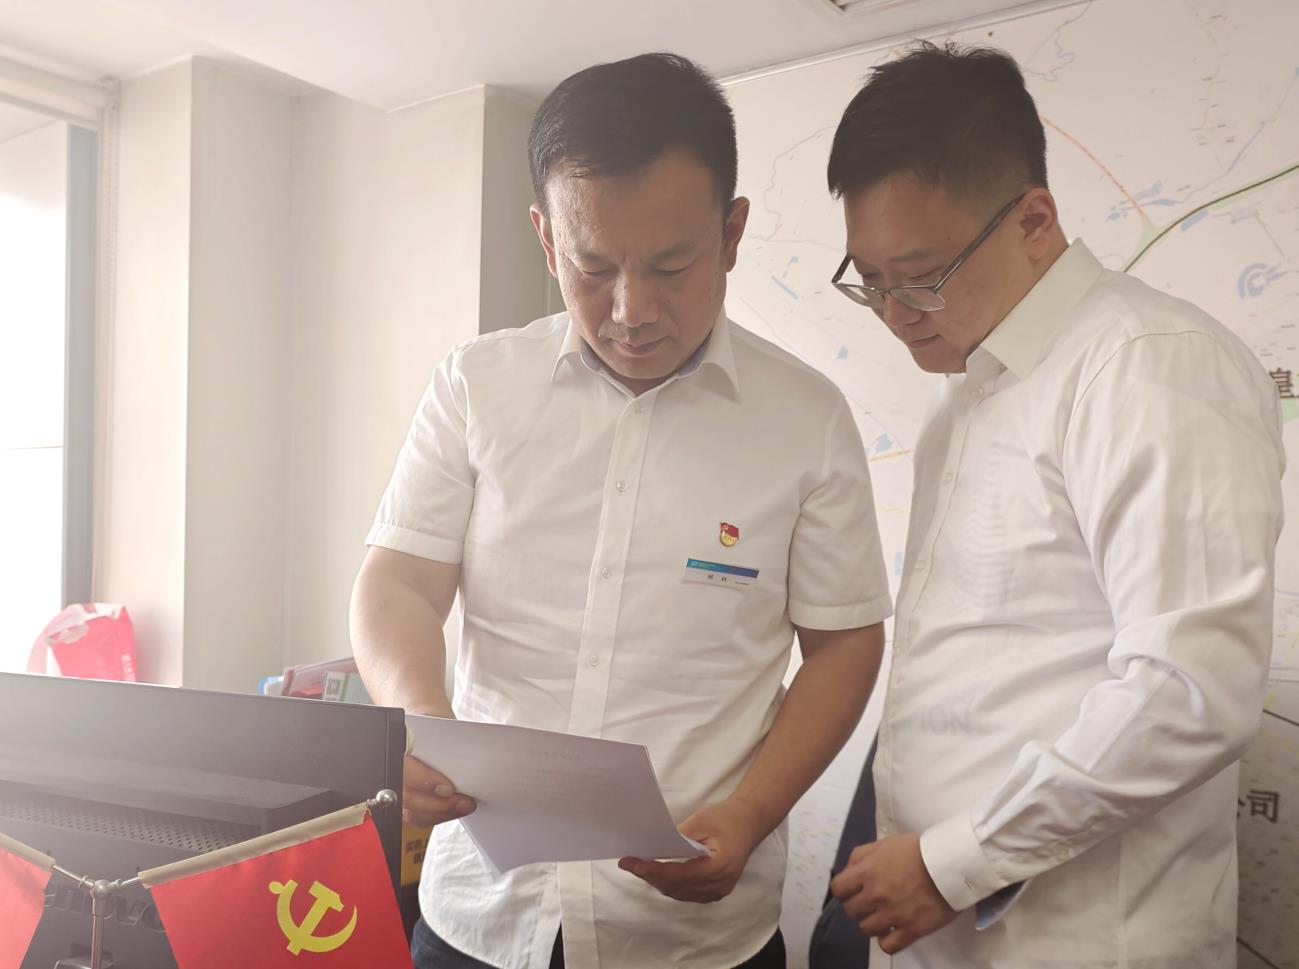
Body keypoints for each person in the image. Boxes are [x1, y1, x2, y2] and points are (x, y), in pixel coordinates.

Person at [351, 52, 892, 969]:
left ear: (730, 233)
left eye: (671, 265)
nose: (632, 310)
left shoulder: (806, 420)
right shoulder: (477, 386)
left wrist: (752, 811)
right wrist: (420, 722)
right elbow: (398, 581)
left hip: (696, 938)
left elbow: (843, 644)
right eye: (592, 267)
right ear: (545, 238)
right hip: (481, 915)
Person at [823, 41, 1284, 968]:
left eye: (919, 276)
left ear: (1033, 221)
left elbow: (1190, 689)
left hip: (1081, 940)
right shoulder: (967, 395)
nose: (895, 312)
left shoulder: (1146, 366)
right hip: (943, 929)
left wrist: (953, 862)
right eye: (869, 281)